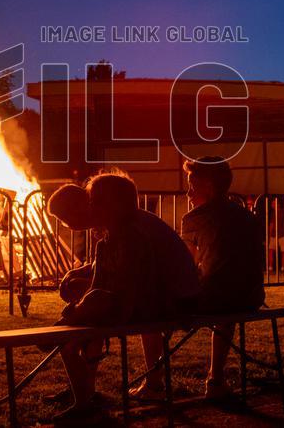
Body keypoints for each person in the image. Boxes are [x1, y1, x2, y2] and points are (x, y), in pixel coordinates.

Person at [47, 172, 198, 420]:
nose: (89, 207)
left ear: (112, 205)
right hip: (152, 294)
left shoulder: (134, 233)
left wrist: (90, 295)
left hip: (171, 298)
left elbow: (131, 279)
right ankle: (86, 388)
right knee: (90, 299)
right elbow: (107, 273)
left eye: (93, 201)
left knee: (93, 300)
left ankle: (90, 385)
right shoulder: (114, 234)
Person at [180, 156, 265, 400]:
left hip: (216, 300)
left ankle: (154, 380)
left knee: (164, 300)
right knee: (226, 299)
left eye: (192, 186)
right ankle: (215, 378)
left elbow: (186, 266)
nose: (188, 193)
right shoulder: (247, 217)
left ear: (207, 186)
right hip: (251, 297)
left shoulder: (193, 218)